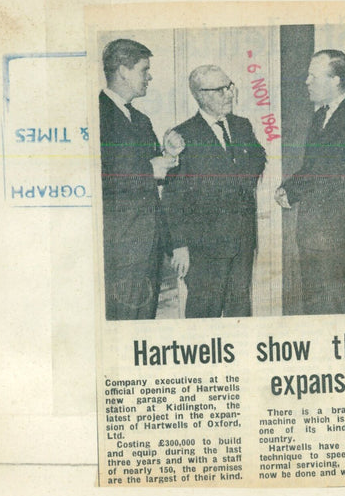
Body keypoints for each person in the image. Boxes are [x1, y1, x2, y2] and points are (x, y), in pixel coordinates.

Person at [275, 49, 345, 315]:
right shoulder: (319, 118)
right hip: (311, 237)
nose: (307, 82)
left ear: (336, 79)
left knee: (342, 311)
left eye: (314, 76)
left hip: (343, 242)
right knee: (315, 312)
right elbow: (312, 169)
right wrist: (288, 189)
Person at [163, 65, 267, 318]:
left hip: (242, 241)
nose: (229, 94)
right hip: (204, 248)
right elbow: (172, 198)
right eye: (220, 90)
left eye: (229, 86)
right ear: (200, 95)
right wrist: (179, 246)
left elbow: (258, 159)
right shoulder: (182, 136)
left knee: (240, 309)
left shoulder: (242, 126)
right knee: (204, 312)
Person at [99, 38, 181, 320]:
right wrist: (150, 170)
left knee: (143, 321)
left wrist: (167, 154)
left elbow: (144, 169)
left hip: (149, 245)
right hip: (120, 248)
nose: (149, 76)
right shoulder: (97, 115)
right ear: (123, 70)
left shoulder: (142, 120)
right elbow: (99, 180)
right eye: (144, 70)